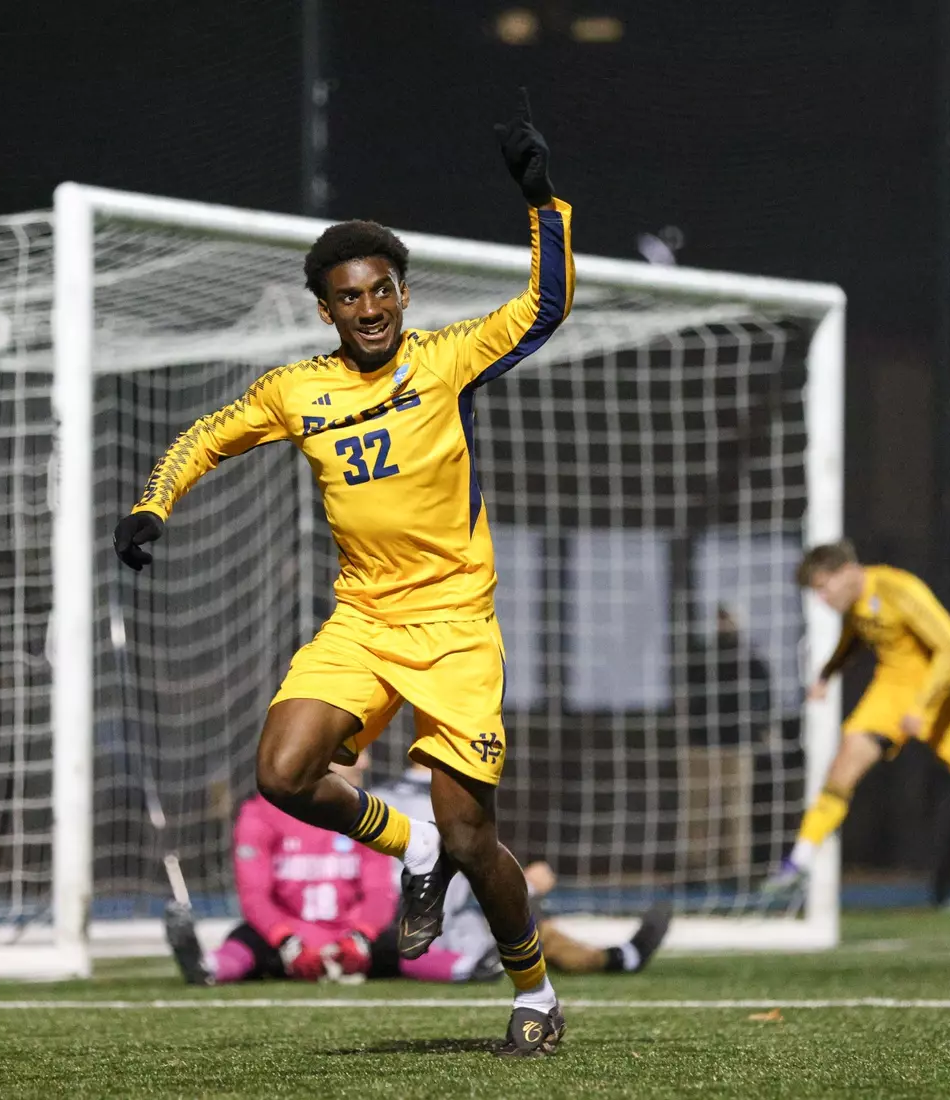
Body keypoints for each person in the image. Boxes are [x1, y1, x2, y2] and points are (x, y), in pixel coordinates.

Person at [113, 89, 573, 1055]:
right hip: (363, 621)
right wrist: (155, 503)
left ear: (405, 294)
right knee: (282, 774)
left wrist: (541, 204)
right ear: (326, 309)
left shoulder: (448, 361)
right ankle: (410, 854)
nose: (367, 308)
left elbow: (545, 306)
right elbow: (203, 436)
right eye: (348, 297)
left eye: (381, 291)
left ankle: (534, 993)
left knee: (476, 841)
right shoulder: (298, 389)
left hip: (453, 625)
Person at [758, 540, 950, 908]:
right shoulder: (854, 604)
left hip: (944, 699)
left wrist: (922, 706)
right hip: (890, 695)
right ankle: (799, 862)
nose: (822, 599)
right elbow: (853, 637)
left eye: (824, 588)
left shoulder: (898, 589)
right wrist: (827, 673)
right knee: (843, 767)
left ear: (847, 572)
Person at [164, 756, 499, 986]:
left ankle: (468, 966)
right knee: (244, 941)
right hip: (286, 941)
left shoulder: (368, 812)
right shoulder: (259, 815)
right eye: (355, 753)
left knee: (400, 940)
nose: (365, 762)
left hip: (352, 941)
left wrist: (361, 936)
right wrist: (288, 941)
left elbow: (378, 891)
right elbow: (254, 896)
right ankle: (207, 968)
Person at [375, 763, 673, 974]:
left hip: (388, 928)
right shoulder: (450, 803)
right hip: (434, 938)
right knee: (515, 906)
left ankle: (616, 957)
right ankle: (618, 959)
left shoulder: (376, 798)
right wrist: (526, 885)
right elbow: (433, 888)